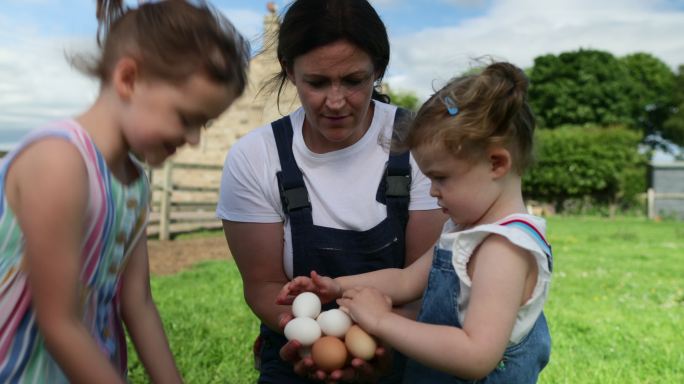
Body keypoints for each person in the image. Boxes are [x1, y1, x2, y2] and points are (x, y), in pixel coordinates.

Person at [0, 1, 249, 382]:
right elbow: (59, 323)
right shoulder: (60, 162)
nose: (195, 139)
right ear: (128, 79)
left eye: (205, 124)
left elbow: (139, 303)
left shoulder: (134, 183)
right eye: (187, 118)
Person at [278, 61, 553, 383]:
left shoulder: (503, 250)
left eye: (441, 178)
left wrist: (382, 322)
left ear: (496, 163)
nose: (433, 191)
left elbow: (477, 356)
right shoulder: (465, 230)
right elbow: (407, 280)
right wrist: (338, 286)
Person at [216, 0, 446, 382]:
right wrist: (311, 340)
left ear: (378, 70)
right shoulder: (255, 158)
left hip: (405, 338)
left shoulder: (421, 143)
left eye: (354, 81)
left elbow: (421, 280)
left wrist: (379, 343)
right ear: (289, 71)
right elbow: (264, 285)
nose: (335, 102)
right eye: (317, 82)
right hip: (295, 355)